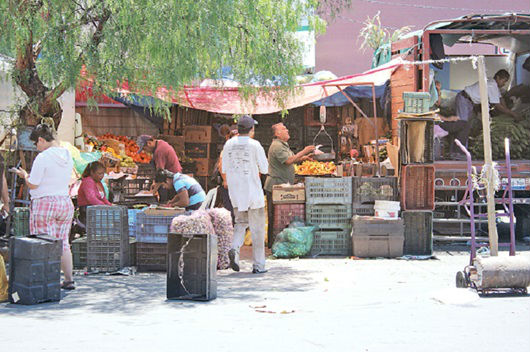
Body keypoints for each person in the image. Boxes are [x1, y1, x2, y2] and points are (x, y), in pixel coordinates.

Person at [13, 124, 76, 290]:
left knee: (44, 244)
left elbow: (33, 184)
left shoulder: (43, 157)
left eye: (36, 143)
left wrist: (24, 175)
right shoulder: (67, 154)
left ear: (41, 140)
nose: (36, 147)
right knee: (63, 243)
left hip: (44, 204)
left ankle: (48, 280)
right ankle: (68, 280)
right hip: (64, 202)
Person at [222, 115, 269, 274]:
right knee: (257, 229)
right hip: (253, 193)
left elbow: (224, 168)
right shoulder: (255, 145)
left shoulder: (228, 144)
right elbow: (264, 169)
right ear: (251, 130)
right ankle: (258, 265)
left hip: (236, 193)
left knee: (240, 224)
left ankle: (234, 249)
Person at [444, 69, 520, 159]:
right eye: (503, 81)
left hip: (468, 102)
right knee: (462, 124)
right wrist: (512, 114)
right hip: (464, 100)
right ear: (498, 77)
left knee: (466, 126)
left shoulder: (493, 84)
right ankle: (443, 130)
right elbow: (498, 105)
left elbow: (500, 99)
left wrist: (507, 111)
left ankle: (458, 150)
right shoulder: (492, 85)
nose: (504, 84)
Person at [263, 122, 315, 247]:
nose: (287, 130)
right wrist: (304, 151)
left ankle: (277, 242)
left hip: (282, 185)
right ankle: (272, 244)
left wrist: (304, 158)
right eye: (283, 129)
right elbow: (288, 160)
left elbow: (291, 158)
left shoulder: (283, 145)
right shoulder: (277, 146)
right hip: (276, 185)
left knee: (279, 215)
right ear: (277, 133)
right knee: (275, 217)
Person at [137, 135, 182, 202]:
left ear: (149, 143)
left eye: (144, 148)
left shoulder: (159, 151)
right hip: (169, 176)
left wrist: (152, 192)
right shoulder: (160, 143)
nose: (145, 151)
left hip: (172, 178)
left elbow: (160, 173)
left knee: (167, 201)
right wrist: (154, 182)